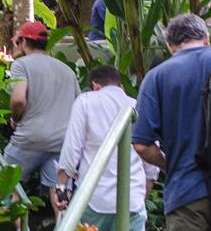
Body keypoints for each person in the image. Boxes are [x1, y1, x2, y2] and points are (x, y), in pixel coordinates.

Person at [132, 13, 211, 230]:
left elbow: (142, 144)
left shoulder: (157, 77)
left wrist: (168, 164)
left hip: (186, 192)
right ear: (207, 38)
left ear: (170, 46)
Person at [56, 65, 156, 231]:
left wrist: (60, 186)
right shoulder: (136, 106)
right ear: (121, 86)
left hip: (94, 198)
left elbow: (71, 150)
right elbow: (150, 153)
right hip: (132, 199)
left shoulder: (86, 101)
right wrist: (143, 193)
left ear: (95, 85)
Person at [5, 21, 78, 200]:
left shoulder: (21, 65)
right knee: (58, 189)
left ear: (22, 42)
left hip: (29, 138)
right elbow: (78, 106)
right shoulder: (67, 71)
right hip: (61, 141)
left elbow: (18, 99)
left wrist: (16, 119)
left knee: (8, 185)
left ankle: (19, 228)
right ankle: (64, 225)